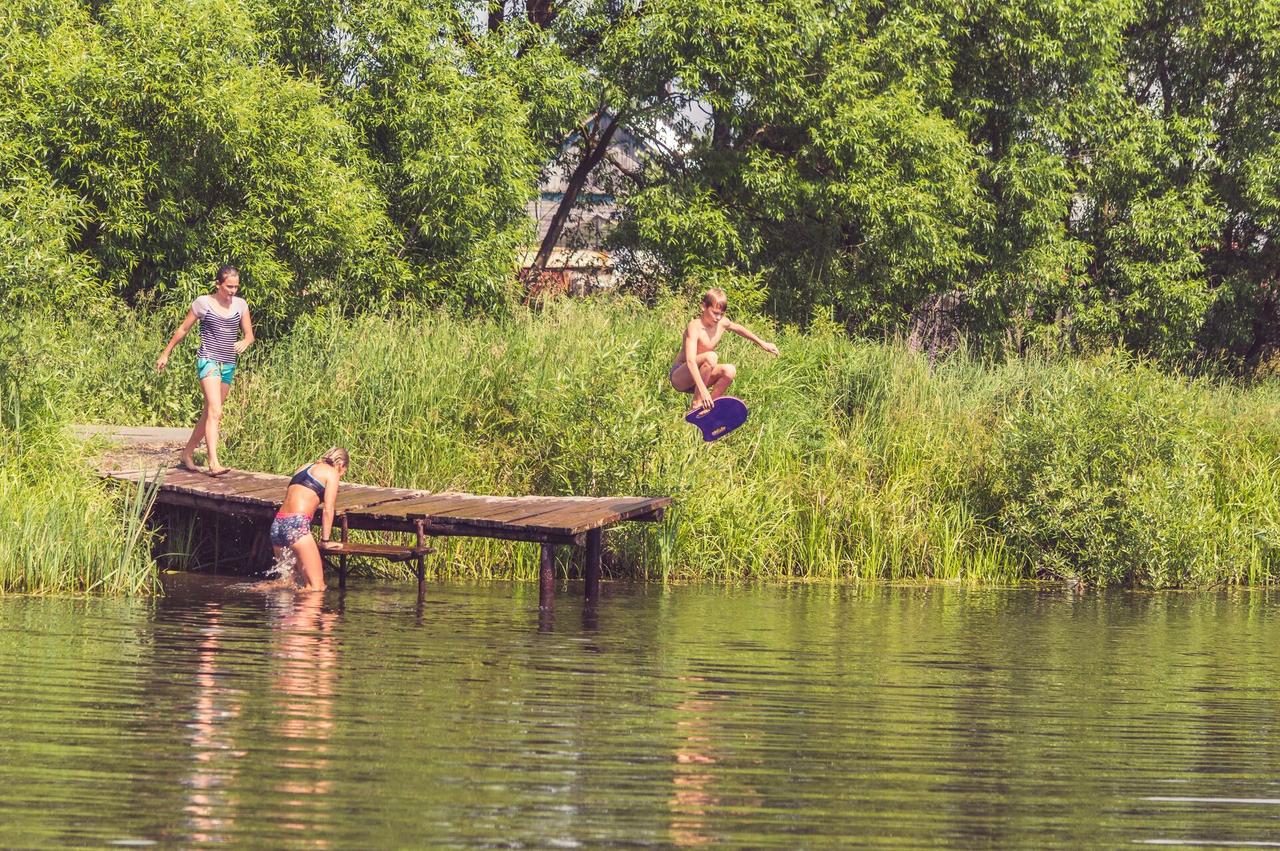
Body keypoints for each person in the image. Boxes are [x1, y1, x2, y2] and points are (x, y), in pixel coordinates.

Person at [156, 265, 255, 476]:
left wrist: (245, 342)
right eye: (229, 286)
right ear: (218, 284)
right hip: (208, 361)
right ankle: (214, 462)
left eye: (236, 287)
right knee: (216, 411)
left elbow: (249, 335)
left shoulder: (240, 305)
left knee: (210, 412)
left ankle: (187, 453)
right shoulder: (203, 303)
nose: (233, 291)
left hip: (228, 363)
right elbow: (183, 329)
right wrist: (166, 353)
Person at [669, 288, 779, 411]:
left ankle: (707, 410)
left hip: (701, 378)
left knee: (729, 371)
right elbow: (690, 361)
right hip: (681, 377)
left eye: (721, 314)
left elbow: (739, 329)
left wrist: (762, 343)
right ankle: (696, 404)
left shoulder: (721, 323)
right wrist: (703, 390)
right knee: (711, 356)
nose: (718, 317)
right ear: (703, 306)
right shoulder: (694, 327)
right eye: (715, 313)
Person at [270, 447, 350, 592]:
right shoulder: (332, 472)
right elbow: (328, 508)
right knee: (316, 588)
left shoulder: (305, 467)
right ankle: (310, 614)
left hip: (277, 524)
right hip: (296, 525)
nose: (342, 475)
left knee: (287, 583)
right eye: (344, 472)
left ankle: (248, 592)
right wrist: (325, 541)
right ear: (340, 465)